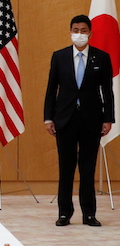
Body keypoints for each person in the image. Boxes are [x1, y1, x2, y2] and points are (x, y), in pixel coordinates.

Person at [44, 14, 114, 227]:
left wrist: (108, 118)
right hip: (64, 120)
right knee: (66, 168)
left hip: (92, 121)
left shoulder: (101, 58)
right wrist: (48, 118)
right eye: (76, 30)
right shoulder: (59, 56)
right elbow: (51, 90)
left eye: (84, 30)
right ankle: (64, 213)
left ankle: (89, 214)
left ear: (90, 33)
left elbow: (107, 91)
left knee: (87, 167)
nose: (79, 34)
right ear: (70, 32)